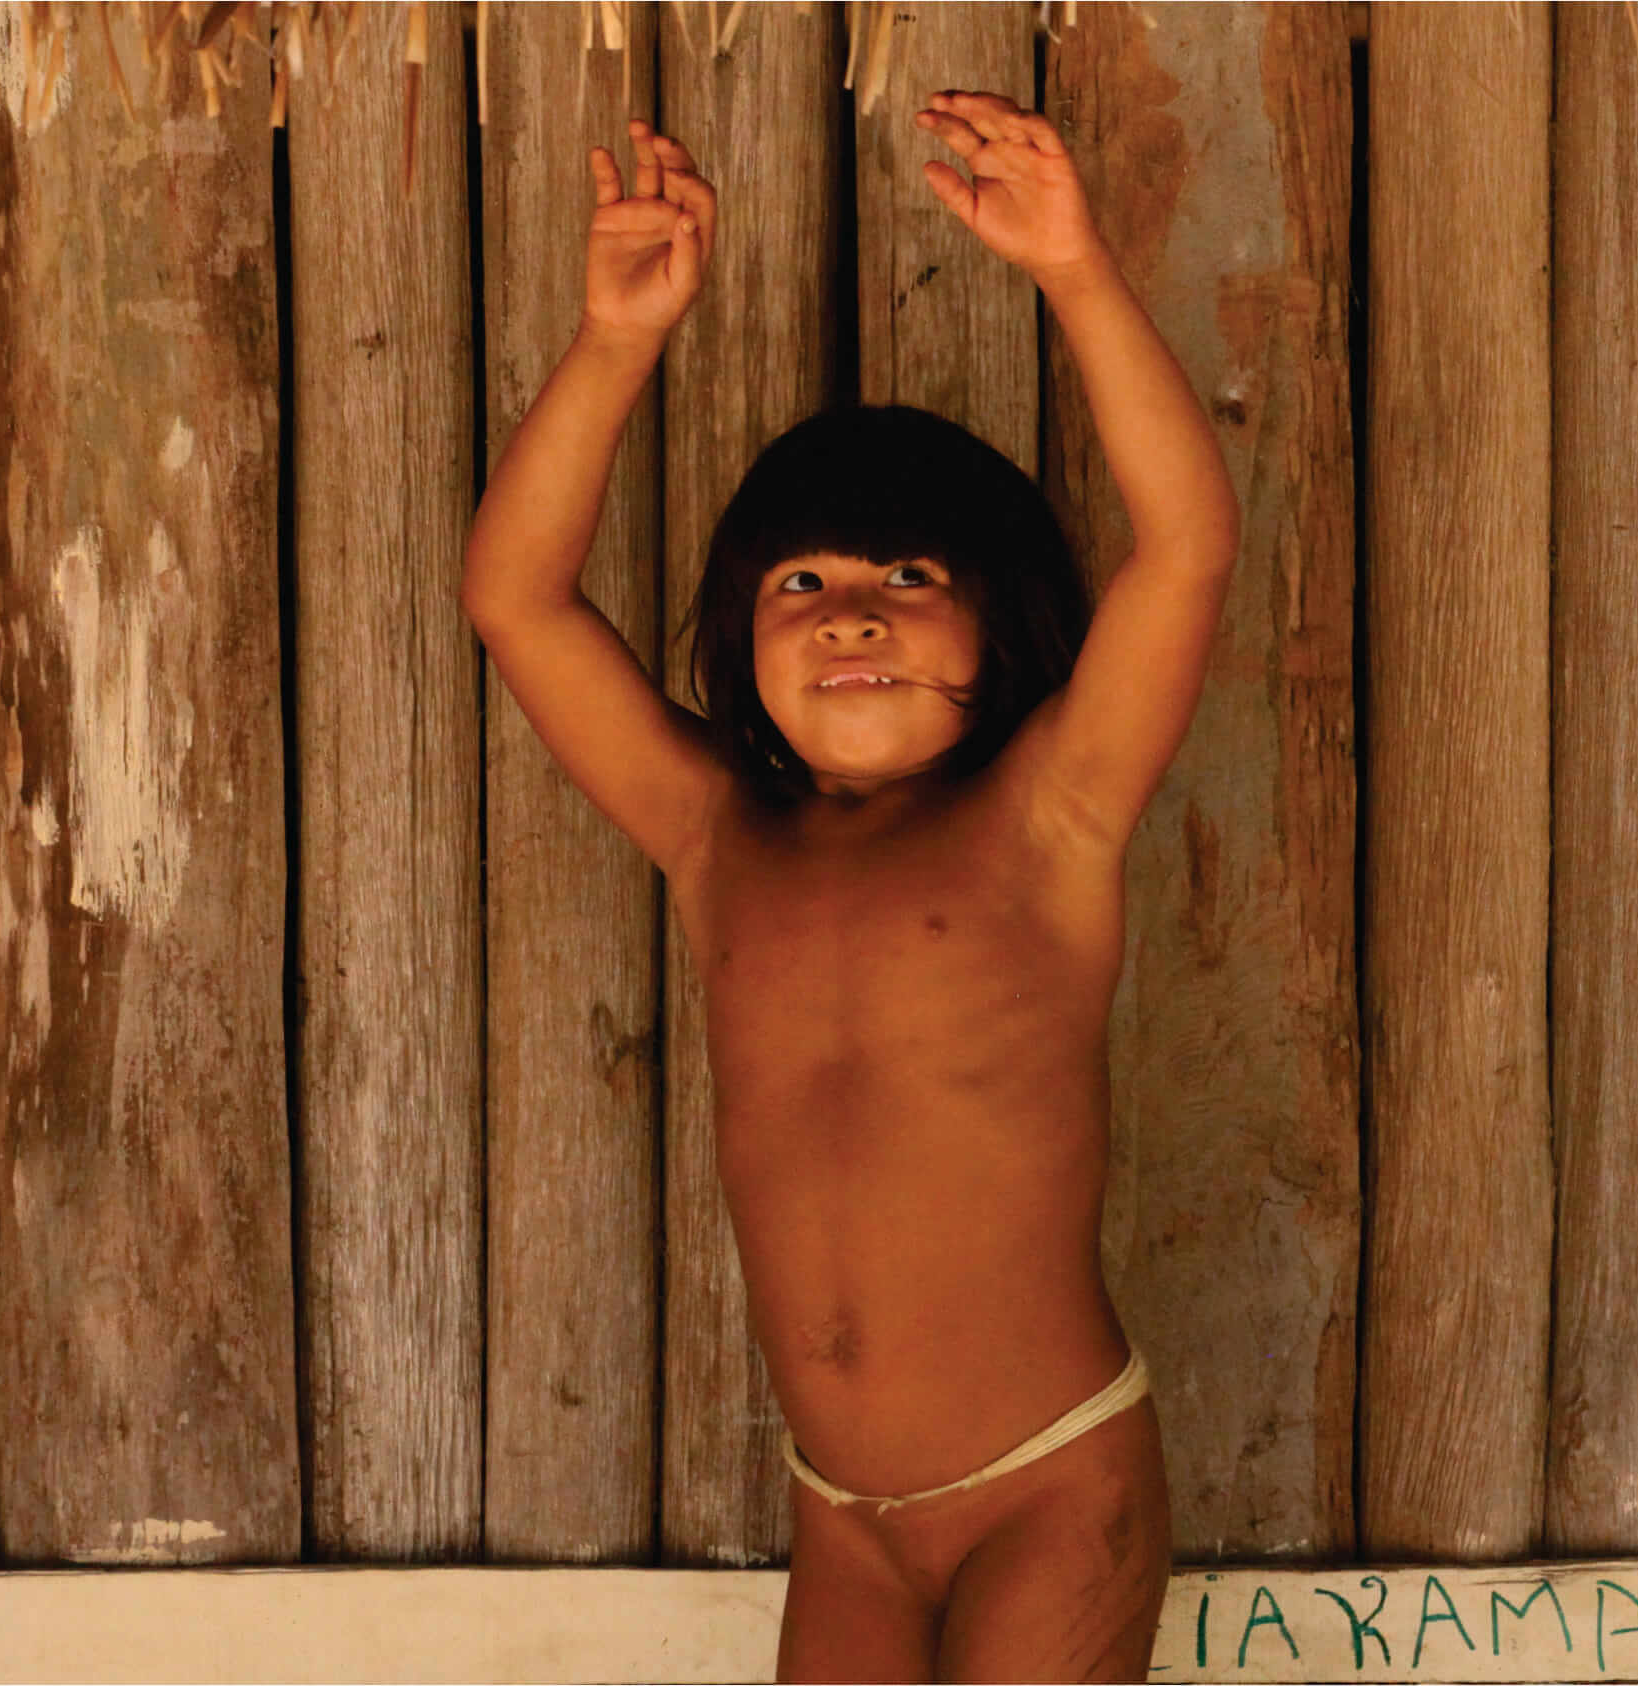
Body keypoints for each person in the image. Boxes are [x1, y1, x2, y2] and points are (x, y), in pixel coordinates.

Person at [461, 88, 1239, 1684]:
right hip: (847, 1517)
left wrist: (1077, 271)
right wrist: (614, 340)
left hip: (1048, 1485)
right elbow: (518, 601)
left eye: (909, 577)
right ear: (742, 636)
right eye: (801, 582)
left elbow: (1183, 550)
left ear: (1002, 627)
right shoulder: (715, 833)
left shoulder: (1049, 815)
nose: (850, 614)